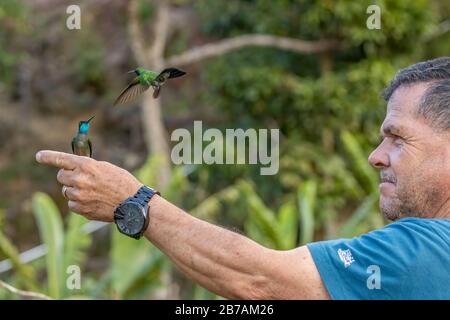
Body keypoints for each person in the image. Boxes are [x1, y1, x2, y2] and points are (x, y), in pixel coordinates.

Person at [35, 57, 450, 299]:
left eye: (397, 138)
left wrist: (135, 201)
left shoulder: (423, 251)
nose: (376, 157)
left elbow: (261, 279)